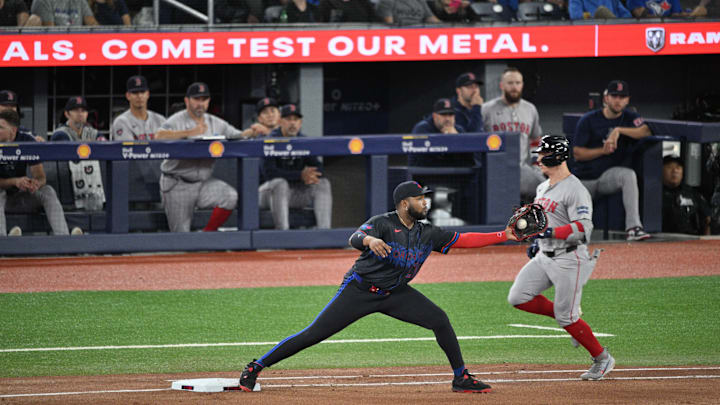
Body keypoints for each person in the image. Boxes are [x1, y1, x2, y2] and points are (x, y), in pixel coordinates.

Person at [239, 180, 522, 393]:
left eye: (425, 198)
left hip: (396, 294)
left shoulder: (428, 233)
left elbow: (464, 239)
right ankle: (256, 366)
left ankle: (461, 377)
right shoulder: (383, 224)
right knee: (315, 333)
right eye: (419, 199)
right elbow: (355, 237)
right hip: (359, 291)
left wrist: (505, 235)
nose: (425, 203)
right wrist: (370, 241)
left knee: (440, 320)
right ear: (403, 204)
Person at [508, 134, 615, 381]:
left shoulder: (576, 190)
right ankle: (568, 319)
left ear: (557, 156)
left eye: (542, 154)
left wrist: (550, 233)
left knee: (567, 316)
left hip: (570, 259)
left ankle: (602, 358)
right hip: (545, 256)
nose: (538, 160)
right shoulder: (542, 187)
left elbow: (584, 228)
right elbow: (540, 222)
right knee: (518, 296)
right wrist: (537, 241)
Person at [155, 82, 246, 233]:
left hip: (202, 184)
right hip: (177, 184)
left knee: (229, 195)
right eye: (196, 99)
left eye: (204, 99)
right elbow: (159, 136)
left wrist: (252, 132)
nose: (200, 103)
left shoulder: (214, 122)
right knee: (181, 239)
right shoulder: (177, 119)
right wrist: (188, 133)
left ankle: (207, 235)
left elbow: (237, 134)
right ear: (187, 101)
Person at [571, 80, 652, 241]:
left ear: (627, 100)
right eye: (614, 96)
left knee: (628, 175)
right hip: (583, 180)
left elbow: (646, 131)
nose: (618, 100)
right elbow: (577, 153)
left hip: (606, 178)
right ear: (606, 98)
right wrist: (603, 150)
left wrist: (618, 131)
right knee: (574, 233)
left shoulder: (630, 117)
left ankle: (634, 228)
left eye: (622, 97)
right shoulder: (588, 119)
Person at [0, 110, 80, 236]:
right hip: (3, 199)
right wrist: (15, 181)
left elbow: (41, 177)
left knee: (47, 191)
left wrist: (35, 183)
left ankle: (64, 239)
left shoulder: (26, 140)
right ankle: (3, 243)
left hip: (21, 197)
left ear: (13, 130)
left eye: (0, 128)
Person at [260, 104, 332, 230]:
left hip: (292, 193)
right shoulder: (270, 140)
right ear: (280, 121)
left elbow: (319, 167)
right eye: (288, 119)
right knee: (279, 183)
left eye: (296, 119)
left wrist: (311, 175)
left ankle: (324, 233)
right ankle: (283, 236)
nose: (292, 123)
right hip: (266, 194)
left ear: (300, 122)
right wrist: (300, 175)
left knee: (323, 183)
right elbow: (269, 174)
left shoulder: (303, 141)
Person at [482, 67, 544, 202]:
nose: (514, 87)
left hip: (521, 169)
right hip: (495, 170)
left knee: (546, 191)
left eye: (518, 83)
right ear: (501, 85)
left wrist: (536, 167)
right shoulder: (487, 110)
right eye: (510, 83)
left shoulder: (530, 109)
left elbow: (535, 141)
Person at [51, 96, 106, 212]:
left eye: (83, 111)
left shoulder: (91, 131)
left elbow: (104, 147)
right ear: (67, 114)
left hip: (90, 183)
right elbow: (72, 158)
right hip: (67, 185)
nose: (80, 114)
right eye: (76, 110)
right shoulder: (60, 133)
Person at [409, 98, 475, 167]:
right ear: (434, 116)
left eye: (450, 115)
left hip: (453, 175)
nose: (447, 119)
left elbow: (470, 162)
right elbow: (426, 162)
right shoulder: (422, 129)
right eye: (443, 114)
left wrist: (456, 138)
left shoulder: (458, 130)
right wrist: (449, 140)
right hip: (426, 175)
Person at [662, 155, 711, 235]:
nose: (675, 171)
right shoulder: (654, 194)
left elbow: (707, 219)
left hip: (690, 239)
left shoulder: (692, 193)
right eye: (669, 167)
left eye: (678, 167)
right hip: (662, 239)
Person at [111, 75, 166, 141]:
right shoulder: (121, 122)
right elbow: (128, 148)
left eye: (142, 92)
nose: (139, 96)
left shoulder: (160, 120)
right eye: (135, 92)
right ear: (128, 96)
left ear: (147, 94)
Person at [30, 0, 100, 25]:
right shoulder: (43, 1)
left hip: (78, 42)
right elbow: (50, 32)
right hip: (55, 47)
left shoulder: (80, 1)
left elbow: (92, 24)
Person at [375, 0, 441, 25]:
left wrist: (447, 27)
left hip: (420, 34)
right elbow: (390, 26)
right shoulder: (386, 2)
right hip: (400, 35)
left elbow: (431, 19)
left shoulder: (420, 1)